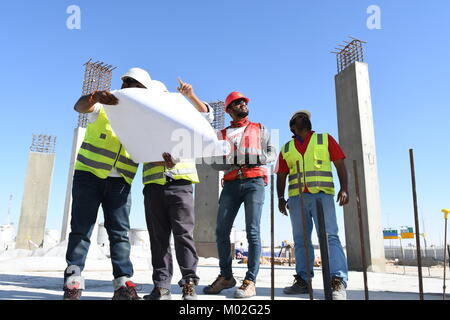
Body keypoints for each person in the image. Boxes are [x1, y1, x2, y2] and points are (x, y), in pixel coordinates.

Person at [63, 67, 153, 300]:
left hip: (120, 181)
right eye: (128, 84)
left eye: (136, 86)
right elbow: (79, 107)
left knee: (120, 233)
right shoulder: (104, 106)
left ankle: (123, 283)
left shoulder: (144, 119)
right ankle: (73, 280)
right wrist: (94, 96)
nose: (130, 88)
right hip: (89, 175)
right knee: (81, 229)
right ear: (123, 86)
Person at [142, 78, 214, 300]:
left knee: (183, 236)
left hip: (180, 184)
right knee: (158, 238)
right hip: (154, 185)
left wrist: (191, 96)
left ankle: (189, 284)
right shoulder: (144, 123)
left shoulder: (183, 116)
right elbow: (137, 150)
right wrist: (159, 162)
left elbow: (206, 116)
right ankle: (162, 286)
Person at [204, 91, 277, 298]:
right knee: (221, 231)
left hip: (254, 181)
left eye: (243, 101)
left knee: (252, 231)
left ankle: (250, 280)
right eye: (237, 103)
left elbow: (271, 154)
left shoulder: (259, 128)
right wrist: (233, 160)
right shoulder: (222, 134)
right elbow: (213, 161)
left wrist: (252, 158)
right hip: (231, 184)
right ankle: (226, 276)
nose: (242, 104)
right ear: (229, 110)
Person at [276, 110, 349, 300]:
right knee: (300, 240)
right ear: (292, 127)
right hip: (296, 199)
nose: (302, 118)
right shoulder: (286, 148)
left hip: (322, 196)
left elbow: (340, 164)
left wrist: (344, 188)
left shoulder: (324, 139)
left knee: (330, 236)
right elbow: (281, 174)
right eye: (297, 118)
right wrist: (280, 198)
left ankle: (338, 281)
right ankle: (303, 280)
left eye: (304, 117)